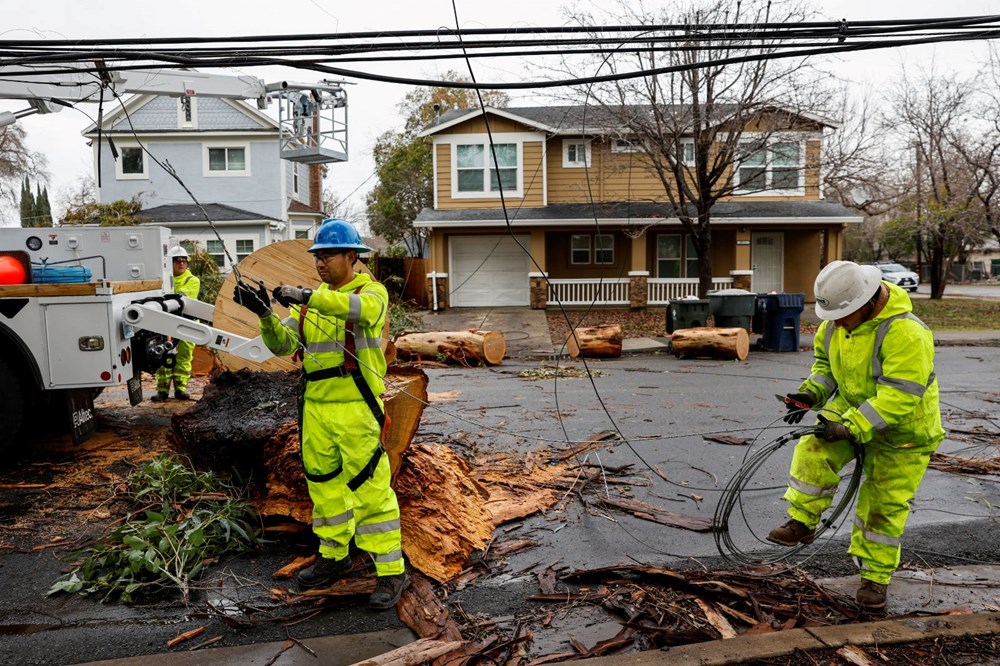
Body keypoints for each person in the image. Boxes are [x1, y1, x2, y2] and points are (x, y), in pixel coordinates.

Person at [233, 217, 408, 610]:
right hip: (316, 409)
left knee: (370, 491)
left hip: (357, 408)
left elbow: (359, 311)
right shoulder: (312, 305)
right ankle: (334, 557)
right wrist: (264, 314)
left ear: (352, 256)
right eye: (318, 256)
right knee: (324, 488)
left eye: (328, 255)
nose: (321, 262)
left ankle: (391, 570)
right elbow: (281, 345)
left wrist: (305, 295)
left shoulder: (370, 292)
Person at [768, 260, 944, 611]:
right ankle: (803, 521)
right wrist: (809, 395)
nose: (836, 322)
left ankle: (874, 579)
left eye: (844, 314)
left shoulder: (906, 332)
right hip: (852, 409)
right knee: (813, 447)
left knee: (883, 506)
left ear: (867, 301)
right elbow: (824, 368)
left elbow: (900, 396)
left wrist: (849, 427)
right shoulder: (834, 326)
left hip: (903, 432)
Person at [152, 246, 201, 401]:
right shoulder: (163, 280)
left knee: (184, 356)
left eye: (184, 261)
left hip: (186, 323)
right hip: (164, 323)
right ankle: (162, 390)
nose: (182, 263)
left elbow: (182, 298)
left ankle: (180, 388)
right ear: (170, 263)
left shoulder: (192, 280)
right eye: (178, 260)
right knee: (162, 355)